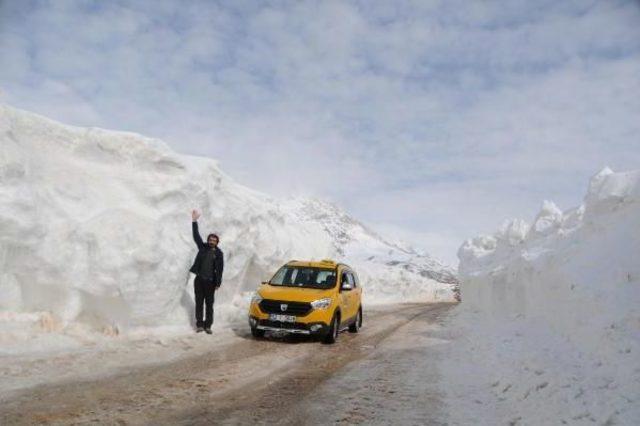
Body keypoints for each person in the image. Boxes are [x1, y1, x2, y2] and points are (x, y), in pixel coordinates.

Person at [189, 209, 224, 334]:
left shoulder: (219, 254)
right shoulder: (202, 247)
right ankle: (199, 325)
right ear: (208, 240)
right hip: (199, 280)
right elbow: (196, 236)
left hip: (210, 282)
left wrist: (218, 282)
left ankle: (208, 325)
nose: (212, 241)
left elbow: (220, 269)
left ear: (217, 242)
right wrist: (194, 221)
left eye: (214, 240)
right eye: (210, 239)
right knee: (199, 303)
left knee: (209, 305)